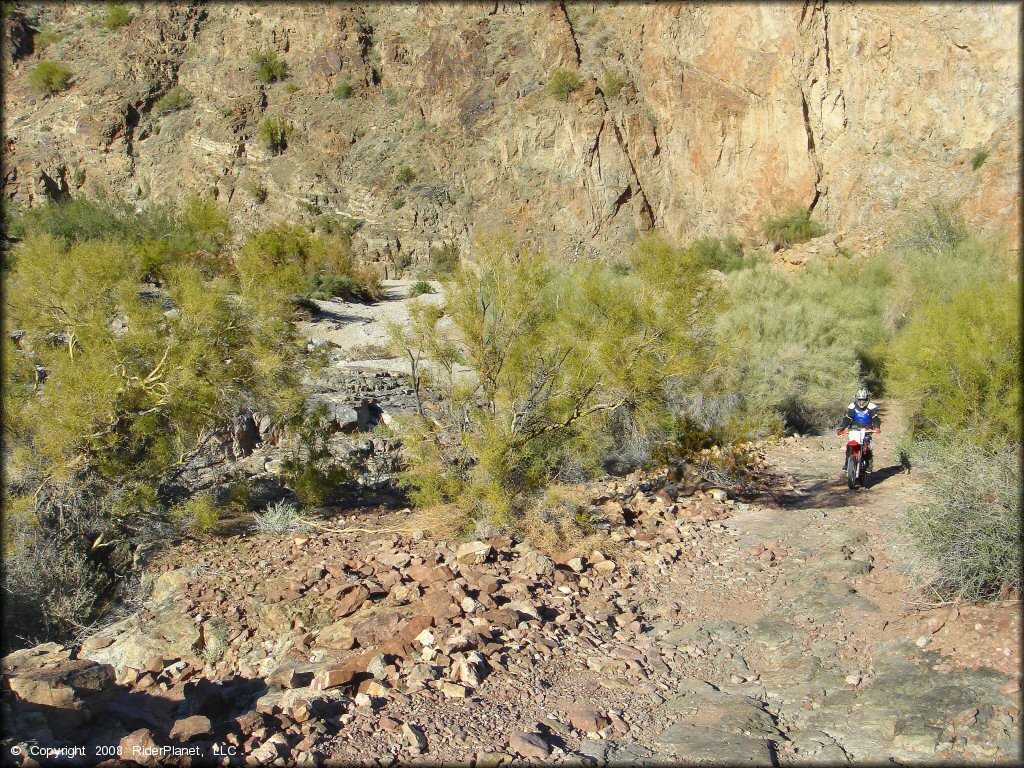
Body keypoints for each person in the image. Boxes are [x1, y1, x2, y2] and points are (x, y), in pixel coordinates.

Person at [837, 388, 881, 472]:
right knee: (850, 445)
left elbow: (875, 418)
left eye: (863, 400)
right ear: (857, 399)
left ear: (867, 399)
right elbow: (847, 418)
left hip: (867, 428)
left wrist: (876, 427)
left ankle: (868, 464)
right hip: (854, 428)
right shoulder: (852, 406)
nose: (862, 402)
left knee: (867, 446)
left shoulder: (871, 407)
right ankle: (847, 464)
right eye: (860, 400)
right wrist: (842, 427)